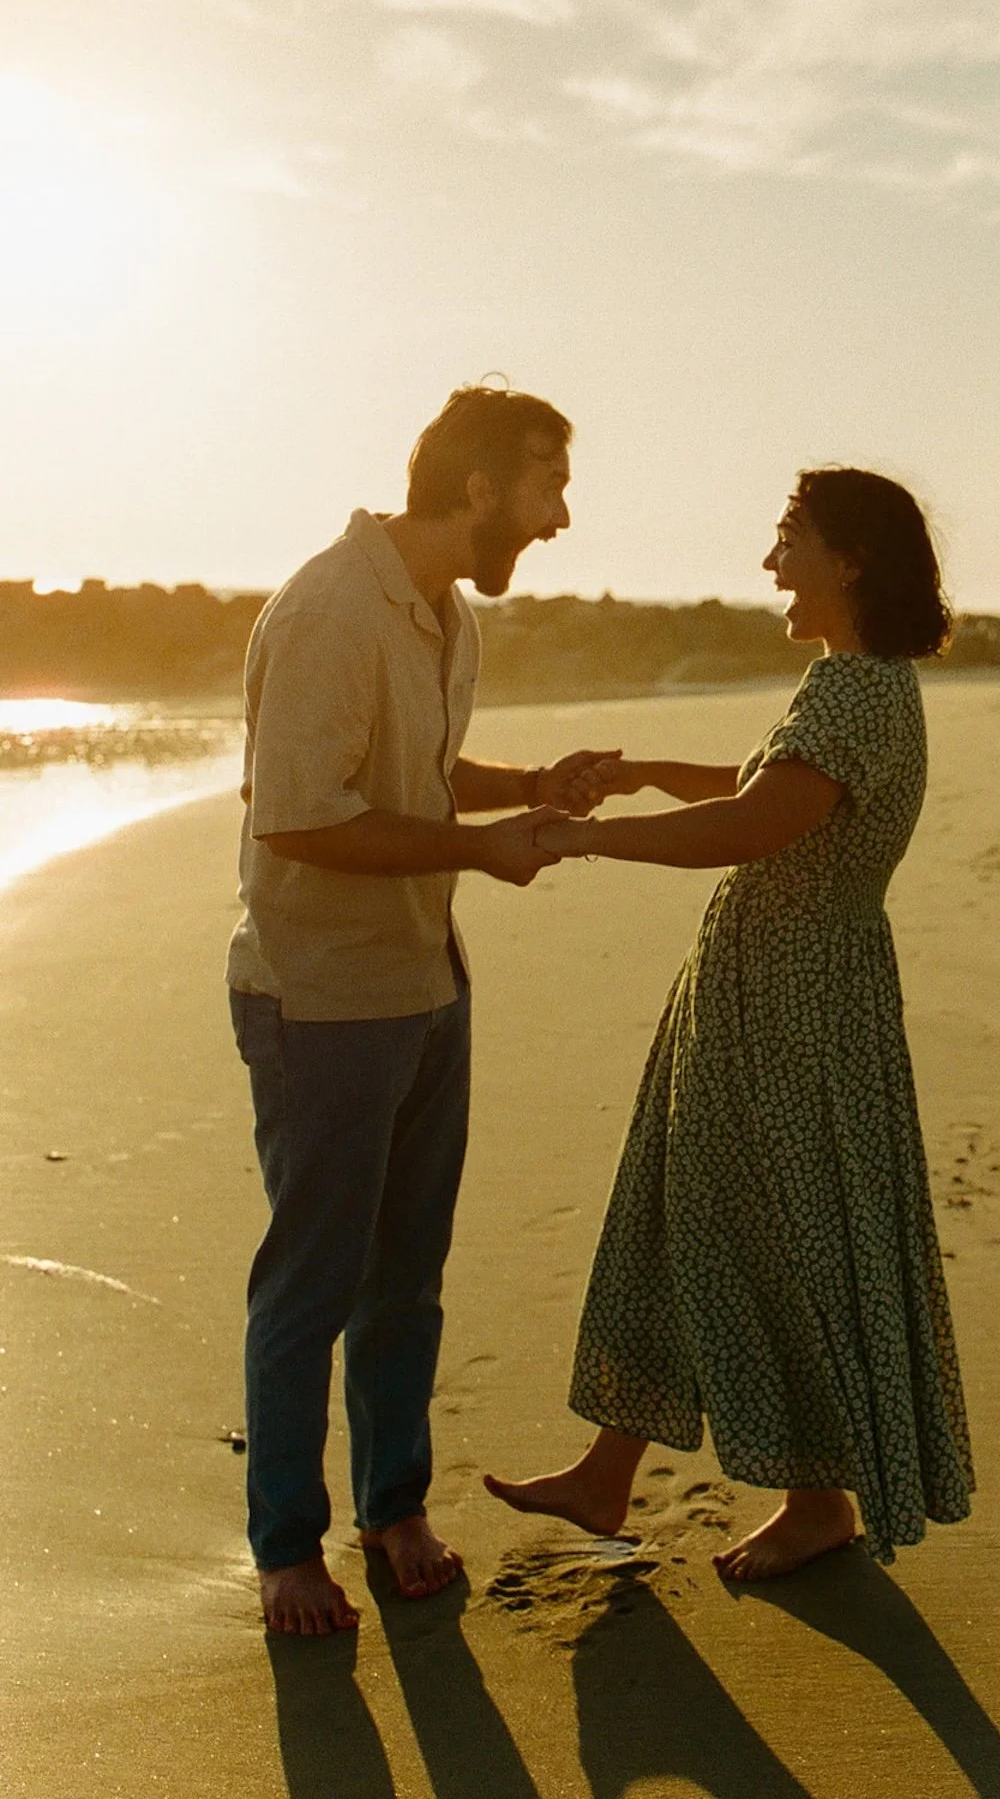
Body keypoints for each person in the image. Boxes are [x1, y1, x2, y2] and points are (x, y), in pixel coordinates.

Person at [485, 466, 974, 1580]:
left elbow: (757, 823)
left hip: (798, 1008)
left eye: (787, 537)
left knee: (780, 1238)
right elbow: (766, 781)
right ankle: (610, 1473)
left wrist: (580, 841)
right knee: (678, 1209)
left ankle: (818, 1504)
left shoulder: (857, 691)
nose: (769, 561)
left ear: (847, 558)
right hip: (760, 992)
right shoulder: (849, 681)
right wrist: (644, 773)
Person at [227, 384, 621, 1637]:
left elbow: (416, 771)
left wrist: (527, 788)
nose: (562, 516)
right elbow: (298, 813)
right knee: (312, 1284)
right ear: (477, 491)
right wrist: (482, 847)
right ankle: (288, 1547)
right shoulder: (336, 605)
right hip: (325, 998)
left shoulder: (445, 612)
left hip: (427, 981)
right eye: (549, 485)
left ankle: (392, 1506)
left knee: (408, 1279)